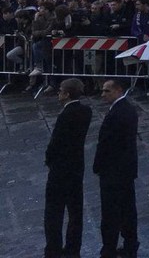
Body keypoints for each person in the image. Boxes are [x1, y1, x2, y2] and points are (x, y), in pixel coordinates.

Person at [44, 77, 93, 258]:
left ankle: (53, 249)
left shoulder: (65, 116)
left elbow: (56, 143)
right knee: (75, 211)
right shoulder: (86, 111)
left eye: (60, 91)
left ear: (66, 94)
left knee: (53, 212)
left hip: (60, 170)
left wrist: (49, 159)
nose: (58, 94)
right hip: (76, 167)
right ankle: (73, 249)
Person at [93, 79, 139, 258]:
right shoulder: (127, 109)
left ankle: (109, 248)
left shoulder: (117, 113)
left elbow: (106, 143)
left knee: (111, 212)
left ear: (118, 90)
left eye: (107, 91)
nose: (103, 94)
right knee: (128, 209)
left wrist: (98, 165)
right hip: (126, 169)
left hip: (113, 171)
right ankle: (130, 243)